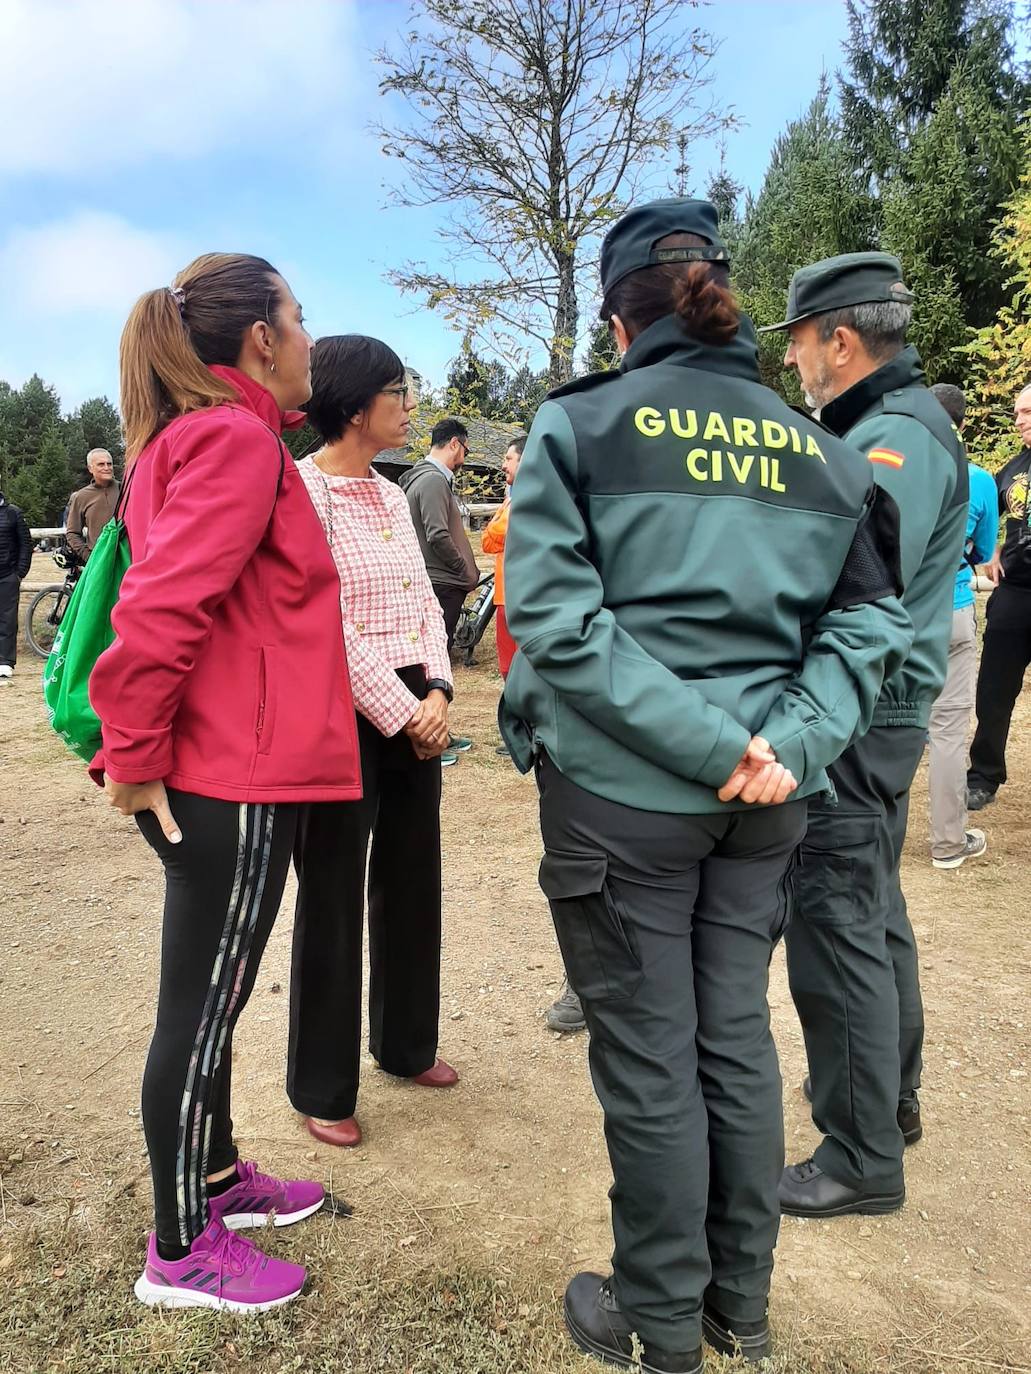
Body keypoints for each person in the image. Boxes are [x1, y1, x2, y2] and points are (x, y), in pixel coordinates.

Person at [501, 198, 912, 1371]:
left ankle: (662, 1322)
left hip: (627, 801)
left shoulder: (578, 428)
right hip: (769, 800)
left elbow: (557, 625)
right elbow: (872, 623)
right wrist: (780, 742)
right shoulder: (825, 454)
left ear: (622, 319)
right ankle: (742, 1308)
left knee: (649, 1054)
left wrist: (709, 745)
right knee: (730, 1037)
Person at [89, 253, 362, 1312]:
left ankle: (212, 1177)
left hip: (229, 768)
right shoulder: (233, 441)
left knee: (216, 997)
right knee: (199, 1013)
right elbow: (159, 609)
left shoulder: (198, 438)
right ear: (261, 339)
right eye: (300, 319)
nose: (307, 340)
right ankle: (178, 1249)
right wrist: (134, 752)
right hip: (226, 777)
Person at [763, 252, 967, 1219]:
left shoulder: (891, 438)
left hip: (860, 709)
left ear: (838, 339)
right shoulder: (901, 425)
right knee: (874, 915)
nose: (795, 362)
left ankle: (857, 1153)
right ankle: (888, 1103)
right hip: (881, 708)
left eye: (799, 342)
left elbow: (855, 577)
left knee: (837, 922)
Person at [287, 334, 459, 1151]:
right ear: (354, 404)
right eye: (396, 390)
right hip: (337, 712)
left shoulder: (392, 493)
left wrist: (438, 690)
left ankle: (406, 1045)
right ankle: (322, 1084)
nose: (408, 405)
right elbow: (323, 618)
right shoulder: (300, 492)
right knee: (330, 889)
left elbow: (424, 599)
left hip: (412, 701)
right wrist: (400, 707)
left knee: (409, 873)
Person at [926, 383, 997, 868]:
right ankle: (948, 844)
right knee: (949, 731)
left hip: (895, 610)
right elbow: (984, 550)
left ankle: (869, 840)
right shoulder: (979, 479)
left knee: (887, 725)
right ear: (964, 424)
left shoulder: (891, 465)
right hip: (950, 609)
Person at [966, 384, 1031, 812]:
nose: (1020, 420)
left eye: (1027, 411)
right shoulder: (1013, 468)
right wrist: (990, 551)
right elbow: (992, 509)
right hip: (1015, 596)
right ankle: (984, 776)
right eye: (1017, 413)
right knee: (993, 690)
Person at [400, 418, 479, 763]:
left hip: (440, 583)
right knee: (431, 666)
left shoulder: (425, 479)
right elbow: (437, 534)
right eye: (465, 449)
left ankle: (438, 732)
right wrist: (463, 570)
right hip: (440, 583)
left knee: (434, 664)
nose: (465, 457)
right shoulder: (432, 481)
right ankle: (429, 737)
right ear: (453, 444)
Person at [480, 435, 525, 679]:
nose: (503, 464)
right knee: (508, 670)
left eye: (508, 458)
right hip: (504, 597)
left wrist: (498, 529)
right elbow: (487, 541)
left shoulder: (531, 498)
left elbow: (495, 532)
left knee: (524, 670)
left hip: (523, 598)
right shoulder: (510, 499)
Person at [65, 448, 120, 562]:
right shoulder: (80, 497)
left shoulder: (125, 490)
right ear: (90, 468)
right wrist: (89, 557)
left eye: (109, 464)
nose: (106, 468)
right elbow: (72, 533)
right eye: (101, 464)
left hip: (126, 559)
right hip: (99, 560)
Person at [0, 488, 32, 678]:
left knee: (7, 619)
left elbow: (25, 544)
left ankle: (5, 661)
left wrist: (19, 573)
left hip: (7, 575)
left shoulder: (13, 513)